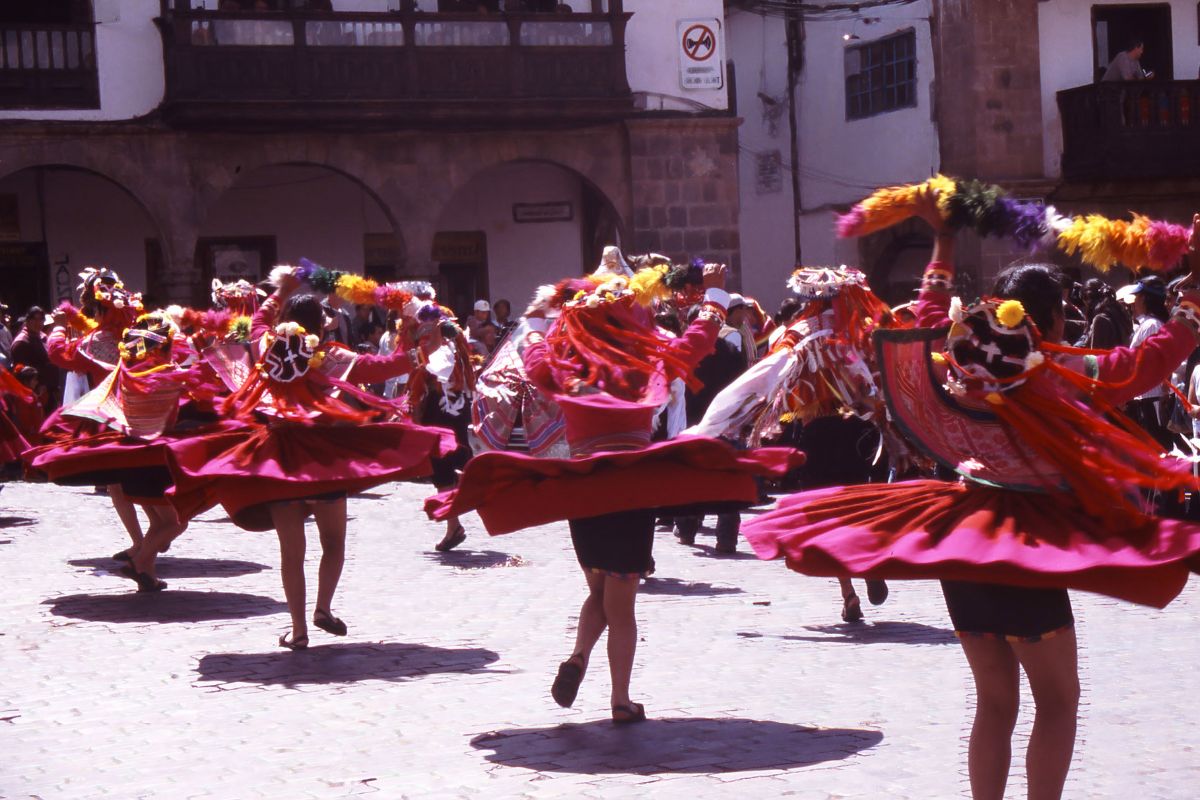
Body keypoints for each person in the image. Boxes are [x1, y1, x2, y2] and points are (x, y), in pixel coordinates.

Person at [744, 202, 1200, 800]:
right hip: (1025, 551)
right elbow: (1142, 366)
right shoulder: (1059, 378)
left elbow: (925, 319)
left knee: (994, 702)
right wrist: (1191, 302)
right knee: (1058, 703)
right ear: (1055, 320)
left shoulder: (952, 368)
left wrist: (943, 244)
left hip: (963, 540)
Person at [427, 261, 800, 723]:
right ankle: (620, 699)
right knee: (621, 600)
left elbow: (534, 349)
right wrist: (715, 296)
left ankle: (580, 656)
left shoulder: (564, 368)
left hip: (582, 488)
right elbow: (698, 342)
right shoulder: (645, 363)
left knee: (600, 589)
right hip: (630, 485)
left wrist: (542, 315)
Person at [161, 269, 453, 648]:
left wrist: (282, 288)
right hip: (325, 460)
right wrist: (415, 327)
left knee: (291, 553)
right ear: (322, 325)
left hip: (279, 459)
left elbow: (261, 320)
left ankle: (298, 630)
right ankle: (324, 609)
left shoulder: (265, 346)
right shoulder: (331, 356)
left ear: (285, 323)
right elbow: (398, 364)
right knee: (333, 543)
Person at [1119, 276, 1173, 448]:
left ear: (1145, 299)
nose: (1134, 302)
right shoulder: (1148, 324)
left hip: (1153, 396)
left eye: (1138, 297)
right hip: (1147, 395)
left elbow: (1156, 362)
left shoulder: (1151, 325)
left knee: (1158, 445)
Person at [10, 307, 59, 410]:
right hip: (35, 396)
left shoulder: (43, 336)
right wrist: (37, 387)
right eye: (34, 319)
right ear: (27, 320)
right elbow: (21, 373)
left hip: (51, 391)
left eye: (41, 319)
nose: (38, 323)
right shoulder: (21, 342)